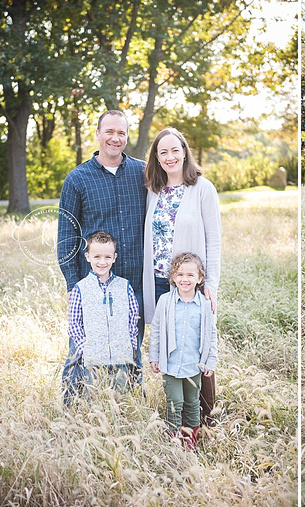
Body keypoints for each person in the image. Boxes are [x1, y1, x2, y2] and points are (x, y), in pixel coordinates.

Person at [58, 110, 146, 403]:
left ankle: (129, 406)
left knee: (130, 346)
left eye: (121, 133)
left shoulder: (142, 172)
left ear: (127, 136)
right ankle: (74, 409)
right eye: (109, 131)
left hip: (132, 278)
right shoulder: (77, 179)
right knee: (81, 349)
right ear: (97, 134)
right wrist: (72, 283)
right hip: (91, 282)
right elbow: (67, 237)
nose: (115, 138)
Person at [142, 127, 222, 425]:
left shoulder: (202, 188)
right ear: (156, 158)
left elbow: (214, 240)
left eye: (175, 150)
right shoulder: (153, 189)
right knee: (171, 349)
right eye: (163, 152)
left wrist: (210, 283)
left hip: (191, 283)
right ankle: (175, 421)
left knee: (197, 346)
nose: (169, 156)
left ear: (185, 151)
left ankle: (205, 418)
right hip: (162, 281)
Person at [149, 252, 218, 451]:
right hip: (170, 364)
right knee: (175, 402)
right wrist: (154, 356)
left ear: (200, 278)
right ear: (172, 277)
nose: (184, 279)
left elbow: (211, 335)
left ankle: (190, 442)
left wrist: (210, 361)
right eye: (180, 275)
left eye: (190, 275)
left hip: (193, 365)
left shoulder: (205, 305)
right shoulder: (165, 301)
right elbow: (156, 330)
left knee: (192, 403)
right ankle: (175, 440)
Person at [64, 231, 139, 399]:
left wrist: (130, 344)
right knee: (94, 401)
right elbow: (74, 323)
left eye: (107, 257)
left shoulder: (124, 286)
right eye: (97, 256)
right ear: (88, 256)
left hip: (121, 358)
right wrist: (86, 348)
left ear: (114, 257)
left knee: (120, 400)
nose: (102, 262)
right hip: (93, 360)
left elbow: (133, 318)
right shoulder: (80, 289)